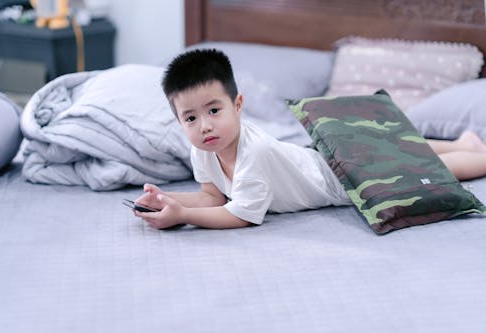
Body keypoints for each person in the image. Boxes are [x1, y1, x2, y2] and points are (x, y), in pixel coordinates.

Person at [132, 49, 486, 230]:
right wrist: (165, 199)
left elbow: (239, 216)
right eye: (191, 118)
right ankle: (463, 141)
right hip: (318, 155)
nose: (204, 126)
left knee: (429, 167)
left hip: (343, 179)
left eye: (214, 111)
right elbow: (212, 196)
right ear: (179, 122)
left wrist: (183, 217)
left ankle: (473, 153)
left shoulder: (253, 153)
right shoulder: (204, 150)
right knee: (392, 145)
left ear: (238, 105)